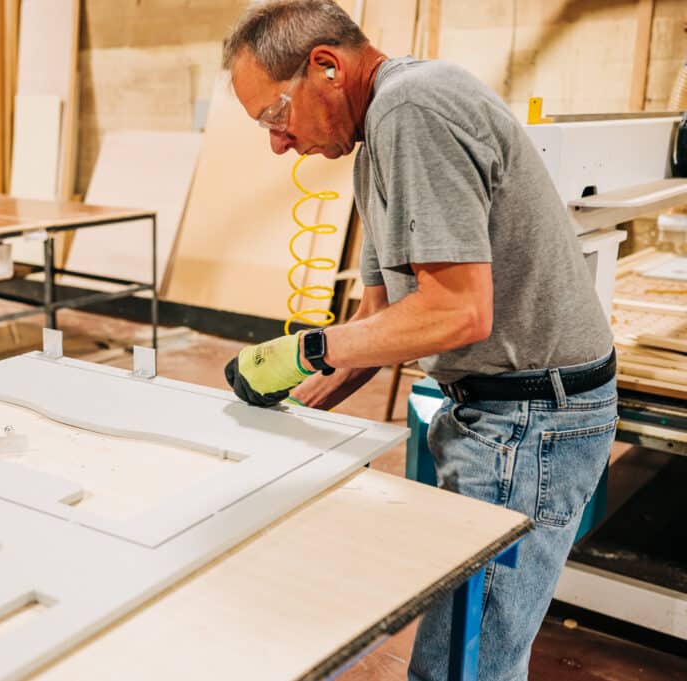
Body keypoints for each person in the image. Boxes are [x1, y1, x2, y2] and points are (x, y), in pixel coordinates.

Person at [221, 2, 618, 679]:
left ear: (327, 67)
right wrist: (283, 404)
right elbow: (381, 322)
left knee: (464, 665)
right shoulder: (373, 147)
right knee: (461, 649)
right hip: (498, 409)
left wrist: (304, 350)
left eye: (274, 115)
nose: (277, 143)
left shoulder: (414, 108)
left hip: (532, 422)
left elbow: (460, 312)